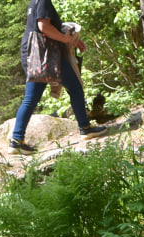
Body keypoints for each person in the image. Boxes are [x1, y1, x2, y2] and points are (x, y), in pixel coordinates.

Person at [10, 0, 104, 153]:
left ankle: (16, 141)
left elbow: (49, 27)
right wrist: (66, 39)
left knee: (31, 98)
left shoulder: (36, 2)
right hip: (43, 55)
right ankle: (85, 128)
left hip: (35, 54)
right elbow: (44, 27)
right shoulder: (43, 1)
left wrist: (74, 40)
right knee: (74, 86)